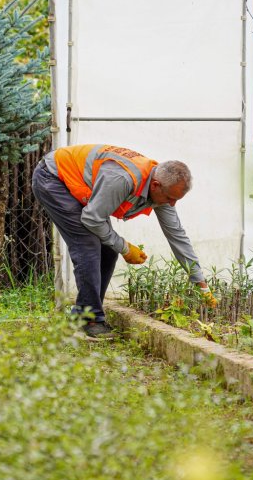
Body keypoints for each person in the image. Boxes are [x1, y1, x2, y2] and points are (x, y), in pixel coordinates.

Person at [32, 144, 217, 339]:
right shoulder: (122, 179)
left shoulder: (162, 189)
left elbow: (177, 235)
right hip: (53, 178)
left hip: (78, 184)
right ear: (155, 186)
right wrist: (125, 247)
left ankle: (82, 314)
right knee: (88, 245)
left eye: (177, 199)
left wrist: (200, 283)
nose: (172, 204)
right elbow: (92, 219)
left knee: (108, 251)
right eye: (171, 198)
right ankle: (90, 319)